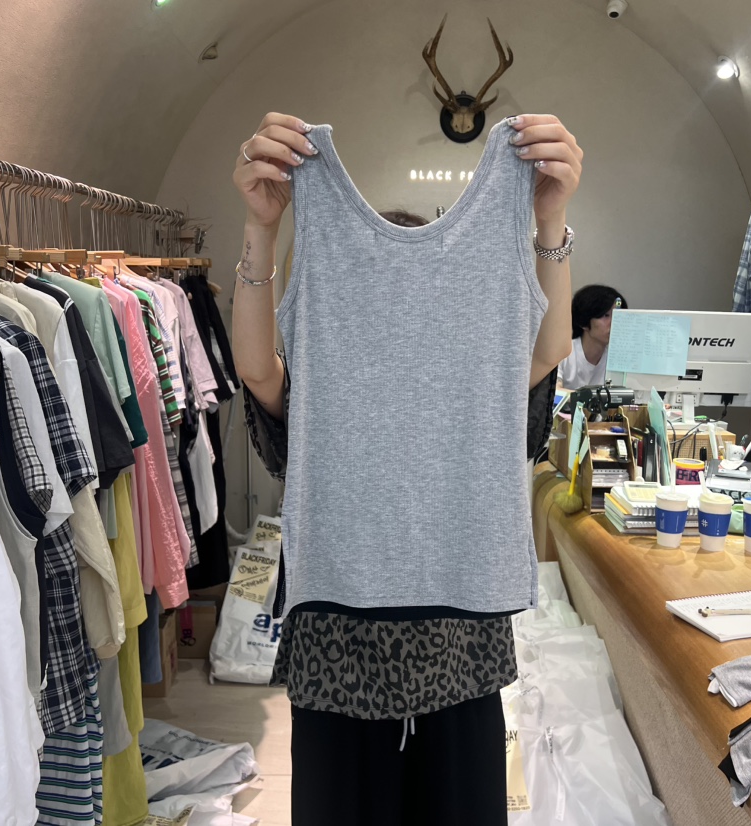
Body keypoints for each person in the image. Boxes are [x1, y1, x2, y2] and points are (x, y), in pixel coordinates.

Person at [232, 112, 582, 825]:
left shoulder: (470, 370)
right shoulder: (321, 372)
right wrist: (261, 230)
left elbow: (544, 352)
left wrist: (550, 221)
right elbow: (258, 369)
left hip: (461, 648)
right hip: (338, 653)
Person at [557, 284, 628, 389]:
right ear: (584, 322)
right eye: (606, 315)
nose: (615, 322)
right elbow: (555, 392)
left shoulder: (618, 358)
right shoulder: (563, 352)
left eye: (618, 315)